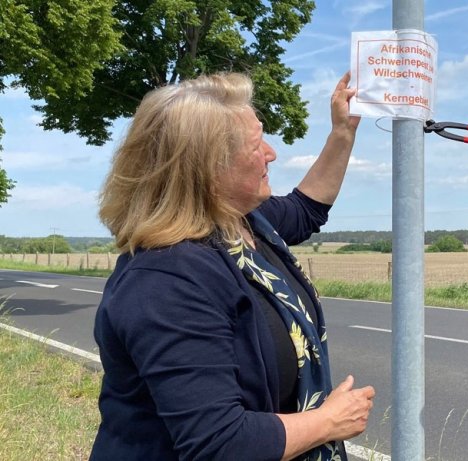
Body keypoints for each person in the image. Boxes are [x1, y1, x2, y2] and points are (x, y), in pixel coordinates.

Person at [90, 71, 375, 461]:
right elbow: (220, 444)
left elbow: (305, 209)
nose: (272, 154)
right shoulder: (166, 282)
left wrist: (342, 133)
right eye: (257, 145)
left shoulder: (241, 222)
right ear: (209, 168)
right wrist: (329, 422)